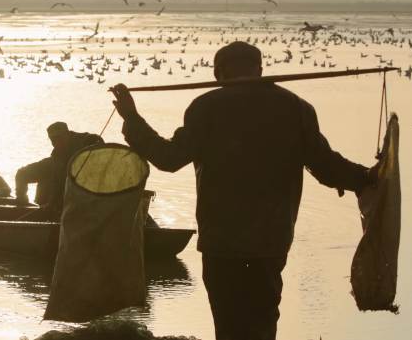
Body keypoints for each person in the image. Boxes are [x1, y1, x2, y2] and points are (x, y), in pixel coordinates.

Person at [110, 41, 378, 340]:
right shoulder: (296, 107)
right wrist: (367, 178)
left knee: (229, 324)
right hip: (271, 240)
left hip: (222, 241)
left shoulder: (206, 106)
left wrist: (132, 119)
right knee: (263, 320)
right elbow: (326, 166)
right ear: (260, 70)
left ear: (218, 73)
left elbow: (168, 158)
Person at [15, 122, 103, 215]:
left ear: (67, 134)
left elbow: (95, 139)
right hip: (58, 204)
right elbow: (22, 174)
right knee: (22, 173)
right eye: (52, 139)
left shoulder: (84, 140)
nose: (55, 142)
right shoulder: (54, 160)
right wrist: (22, 199)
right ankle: (31, 204)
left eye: (59, 137)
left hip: (81, 203)